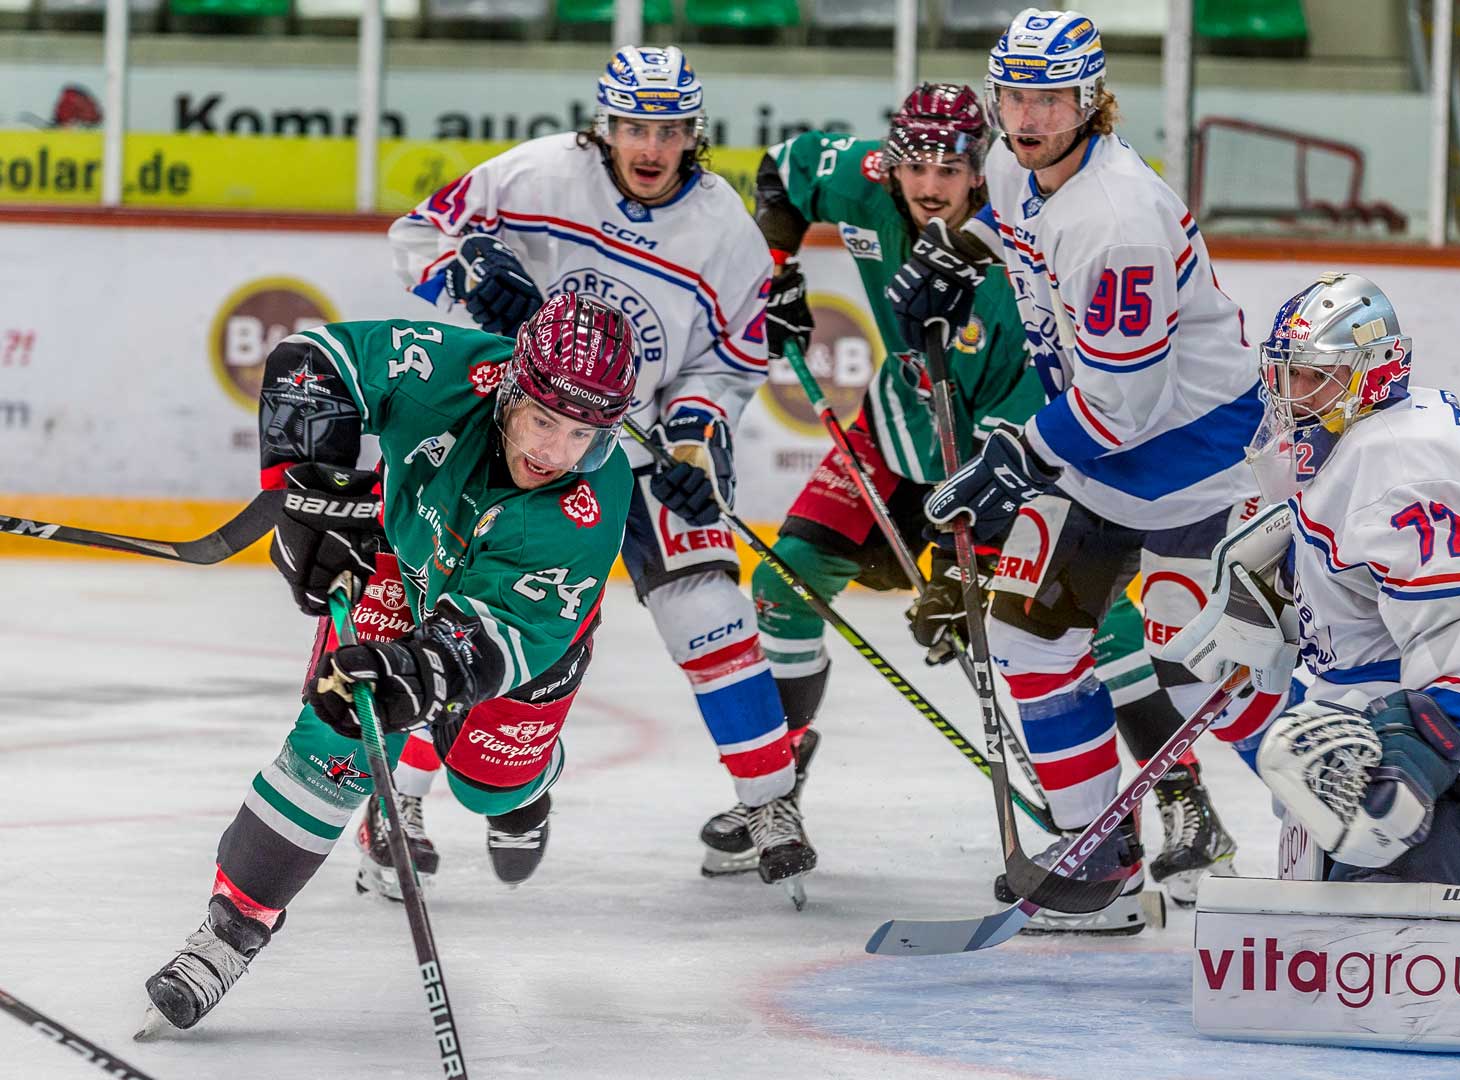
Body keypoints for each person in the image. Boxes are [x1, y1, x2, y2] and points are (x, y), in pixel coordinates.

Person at [734, 82, 1238, 904]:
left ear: (983, 171)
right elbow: (776, 175)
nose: (930, 185)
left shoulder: (1012, 276)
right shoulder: (856, 178)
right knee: (783, 584)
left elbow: (1020, 451)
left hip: (1001, 456)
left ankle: (1181, 799)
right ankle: (773, 791)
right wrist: (779, 274)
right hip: (894, 439)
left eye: (951, 168)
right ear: (890, 162)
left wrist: (956, 571)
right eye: (915, 165)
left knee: (1086, 623)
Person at [138, 293, 638, 1035]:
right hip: (403, 568)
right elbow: (309, 365)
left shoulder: (587, 505)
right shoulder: (447, 373)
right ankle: (231, 931)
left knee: (487, 786)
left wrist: (416, 675)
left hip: (518, 649)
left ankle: (528, 790)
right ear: (508, 389)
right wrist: (307, 488)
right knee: (337, 736)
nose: (555, 453)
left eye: (582, 434)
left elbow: (491, 641)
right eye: (543, 421)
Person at [387, 47, 810, 898]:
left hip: (640, 434)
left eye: (669, 128)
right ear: (604, 125)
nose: (650, 145)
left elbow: (727, 360)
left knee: (707, 604)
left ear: (695, 134)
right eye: (633, 125)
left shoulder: (725, 226)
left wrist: (693, 443)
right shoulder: (536, 174)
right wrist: (471, 271)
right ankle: (397, 802)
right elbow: (417, 234)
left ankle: (770, 804)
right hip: (524, 427)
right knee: (461, 614)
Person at [890, 9, 1265, 934]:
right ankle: (1100, 858)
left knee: (1199, 667)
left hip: (1197, 459)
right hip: (1105, 459)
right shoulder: (1019, 165)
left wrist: (1016, 454)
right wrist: (950, 253)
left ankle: (1341, 825)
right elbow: (1009, 228)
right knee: (1024, 636)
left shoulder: (1117, 219)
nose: (1028, 116)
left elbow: (1124, 407)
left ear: (1090, 101)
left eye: (1051, 98)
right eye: (1015, 93)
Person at [1168, 272, 1460, 885]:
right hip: (1445, 693)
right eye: (1287, 372)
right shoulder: (1352, 440)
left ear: (1369, 374)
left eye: (1313, 375)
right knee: (1303, 783)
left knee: (1370, 924)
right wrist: (1287, 590)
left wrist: (1428, 743)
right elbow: (1373, 577)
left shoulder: (1400, 464)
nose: (1292, 392)